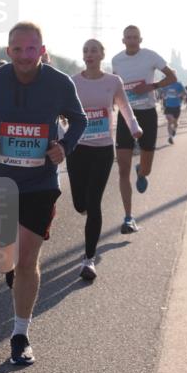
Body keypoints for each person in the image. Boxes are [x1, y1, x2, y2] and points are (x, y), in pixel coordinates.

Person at [0, 22, 86, 366]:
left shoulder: (60, 83)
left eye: (32, 49)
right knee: (4, 256)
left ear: (42, 50)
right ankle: (11, 272)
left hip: (40, 182)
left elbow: (79, 119)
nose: (25, 55)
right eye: (18, 49)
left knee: (28, 259)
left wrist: (65, 146)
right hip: (0, 178)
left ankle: (20, 334)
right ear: (8, 51)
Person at [66, 39, 142, 281]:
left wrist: (134, 128)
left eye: (94, 50)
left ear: (102, 55)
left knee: (94, 203)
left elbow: (125, 108)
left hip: (102, 149)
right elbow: (60, 110)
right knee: (80, 204)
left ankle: (89, 260)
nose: (89, 54)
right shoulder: (73, 82)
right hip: (77, 149)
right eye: (85, 50)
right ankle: (87, 210)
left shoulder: (113, 82)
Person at [110, 25, 177, 234]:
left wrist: (151, 87)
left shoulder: (150, 56)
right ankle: (129, 217)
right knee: (122, 169)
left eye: (135, 37)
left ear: (140, 39)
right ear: (123, 40)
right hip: (125, 115)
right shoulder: (116, 60)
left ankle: (142, 172)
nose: (132, 41)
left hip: (147, 113)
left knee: (146, 167)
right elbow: (115, 86)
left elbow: (172, 77)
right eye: (128, 37)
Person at [161, 78, 187, 144]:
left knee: (175, 122)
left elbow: (185, 92)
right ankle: (170, 137)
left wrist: (179, 94)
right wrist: (164, 96)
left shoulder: (179, 84)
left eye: (172, 75)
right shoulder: (166, 84)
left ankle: (174, 130)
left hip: (177, 106)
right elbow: (163, 94)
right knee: (170, 121)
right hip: (168, 106)